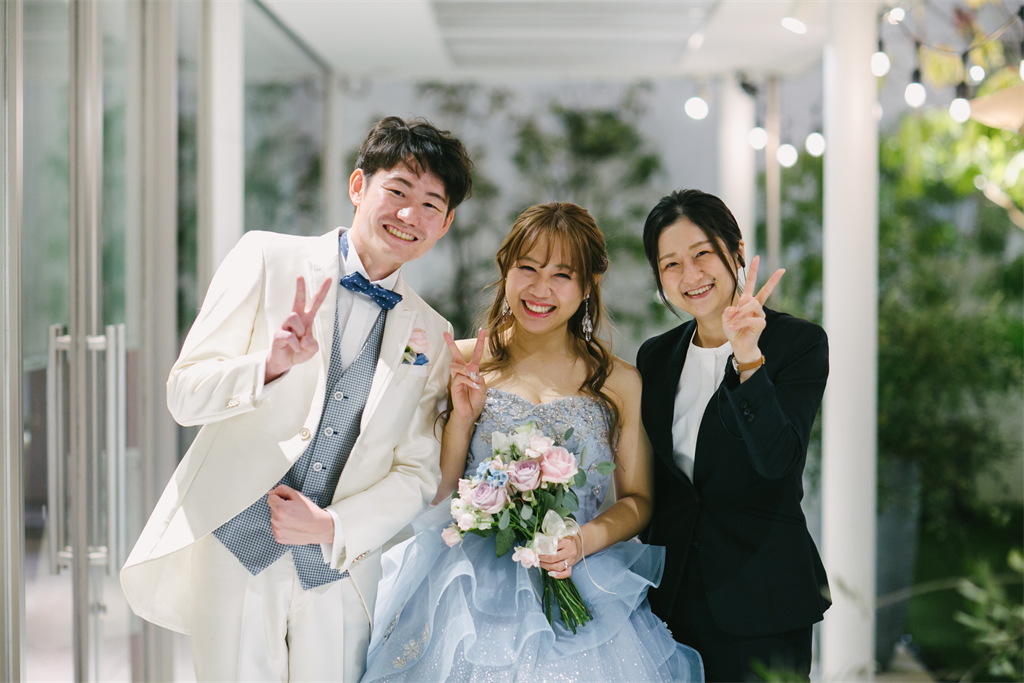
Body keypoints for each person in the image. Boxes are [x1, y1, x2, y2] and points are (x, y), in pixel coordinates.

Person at [120, 116, 474, 682]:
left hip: (339, 567)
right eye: (398, 191)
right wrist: (270, 365)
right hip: (234, 547)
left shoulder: (432, 332)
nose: (410, 215)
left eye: (431, 204)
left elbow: (416, 472)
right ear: (358, 186)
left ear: (446, 222)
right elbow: (184, 395)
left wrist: (333, 526)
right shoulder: (265, 258)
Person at [361, 202, 704, 683]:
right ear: (505, 269)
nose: (540, 290)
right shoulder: (460, 361)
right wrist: (462, 419)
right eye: (527, 268)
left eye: (562, 275)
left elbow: (638, 501)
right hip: (467, 588)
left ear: (588, 286)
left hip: (581, 576)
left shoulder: (620, 382)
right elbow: (436, 493)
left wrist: (582, 541)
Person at [635, 189, 831, 682]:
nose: (691, 275)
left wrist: (748, 359)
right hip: (669, 600)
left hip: (762, 596)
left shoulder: (797, 344)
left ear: (736, 250)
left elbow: (778, 462)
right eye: (671, 264)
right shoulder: (654, 357)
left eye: (702, 253)